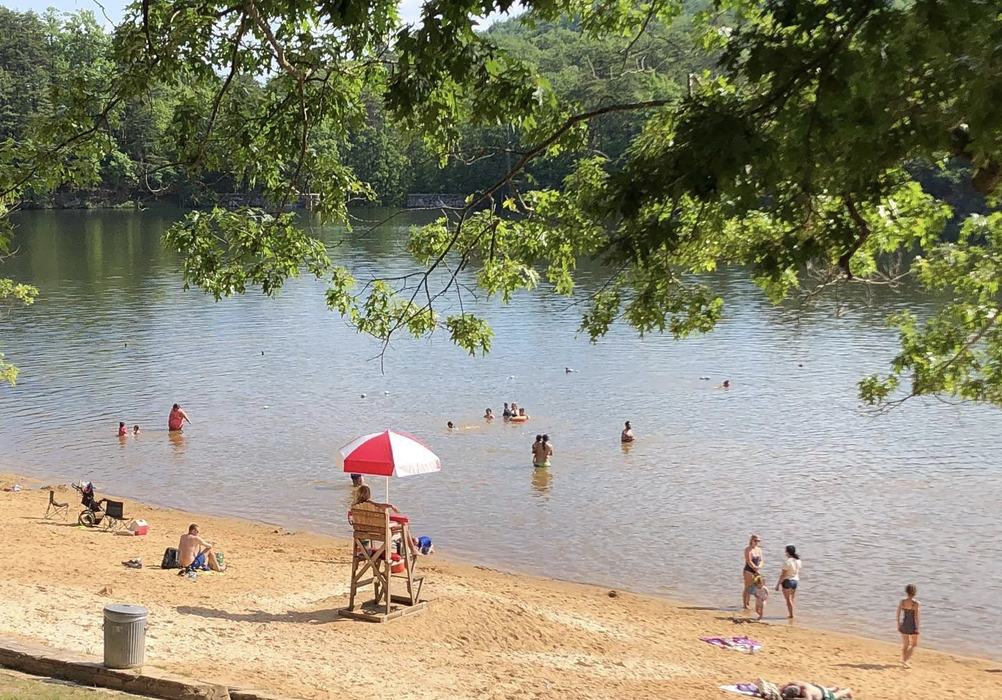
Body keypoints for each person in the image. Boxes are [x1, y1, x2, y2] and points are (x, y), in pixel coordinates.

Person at [775, 544, 802, 618]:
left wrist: (778, 584)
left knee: (788, 599)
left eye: (785, 551)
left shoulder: (787, 562)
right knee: (792, 598)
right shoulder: (798, 560)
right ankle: (792, 613)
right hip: (795, 580)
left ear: (787, 552)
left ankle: (791, 614)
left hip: (787, 581)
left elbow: (783, 575)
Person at [897, 583, 921, 667]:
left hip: (904, 624)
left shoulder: (902, 601)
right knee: (914, 644)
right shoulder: (916, 603)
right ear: (914, 592)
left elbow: (898, 614)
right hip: (912, 625)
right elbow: (916, 617)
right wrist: (917, 627)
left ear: (906, 591)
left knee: (905, 645)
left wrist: (898, 624)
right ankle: (906, 661)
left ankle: (904, 661)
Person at [743, 534, 763, 610]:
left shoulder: (759, 550)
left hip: (757, 570)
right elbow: (749, 561)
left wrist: (759, 567)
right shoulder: (747, 549)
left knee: (756, 587)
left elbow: (761, 560)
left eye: (758, 541)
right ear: (751, 540)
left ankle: (752, 603)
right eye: (756, 541)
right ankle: (745, 604)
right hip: (749, 570)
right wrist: (755, 569)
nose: (757, 542)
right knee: (747, 587)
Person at [780, 681, 853, 700]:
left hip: (824, 695)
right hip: (816, 688)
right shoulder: (795, 683)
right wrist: (781, 691)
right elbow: (785, 685)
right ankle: (833, 688)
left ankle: (847, 690)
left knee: (836, 695)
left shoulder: (806, 691)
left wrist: (790, 699)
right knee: (817, 690)